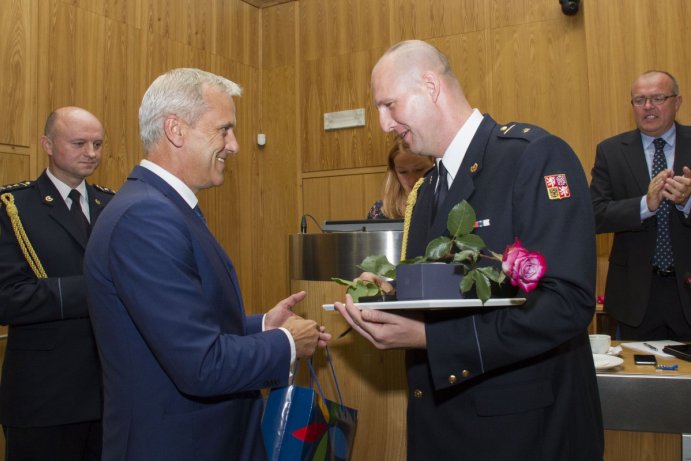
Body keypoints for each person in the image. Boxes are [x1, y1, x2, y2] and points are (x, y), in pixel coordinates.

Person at [334, 40, 603, 460]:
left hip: (520, 433)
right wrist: (389, 294)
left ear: (430, 86)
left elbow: (566, 303)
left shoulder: (534, 158)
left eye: (389, 105)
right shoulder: (426, 190)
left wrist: (430, 339)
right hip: (444, 427)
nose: (385, 124)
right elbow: (448, 288)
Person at [83, 68, 330, 461]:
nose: (233, 146)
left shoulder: (163, 208)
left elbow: (183, 328)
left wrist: (262, 325)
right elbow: (200, 364)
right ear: (176, 130)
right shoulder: (146, 218)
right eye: (224, 130)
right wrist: (286, 343)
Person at [0, 106, 113, 460]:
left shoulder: (113, 205)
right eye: (79, 143)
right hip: (44, 397)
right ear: (47, 144)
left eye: (97, 143)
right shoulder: (13, 208)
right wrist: (99, 288)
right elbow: (8, 298)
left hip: (110, 394)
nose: (91, 153)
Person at [590, 70, 691, 340]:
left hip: (687, 289)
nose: (648, 107)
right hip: (634, 296)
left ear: (677, 102)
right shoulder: (611, 151)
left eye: (658, 98)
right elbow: (595, 215)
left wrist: (687, 202)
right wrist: (646, 204)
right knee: (639, 381)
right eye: (639, 100)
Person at [367, 139, 434, 219]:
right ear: (394, 173)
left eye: (419, 170)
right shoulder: (380, 211)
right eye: (403, 172)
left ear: (434, 165)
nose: (412, 179)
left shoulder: (445, 204)